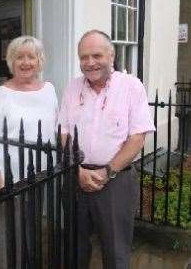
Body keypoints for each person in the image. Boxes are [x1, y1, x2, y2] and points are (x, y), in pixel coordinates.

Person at [58, 30, 155, 269]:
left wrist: (107, 171)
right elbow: (63, 133)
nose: (89, 62)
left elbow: (137, 137)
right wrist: (77, 170)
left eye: (96, 55)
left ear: (111, 55)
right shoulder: (72, 88)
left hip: (115, 180)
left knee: (115, 251)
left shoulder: (131, 86)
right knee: (74, 247)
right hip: (76, 177)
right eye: (83, 57)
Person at [0, 35, 58, 189]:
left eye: (31, 57)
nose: (26, 62)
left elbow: (57, 128)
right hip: (12, 178)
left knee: (44, 213)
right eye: (19, 57)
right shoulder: (0, 95)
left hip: (47, 172)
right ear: (11, 61)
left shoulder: (49, 89)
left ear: (39, 61)